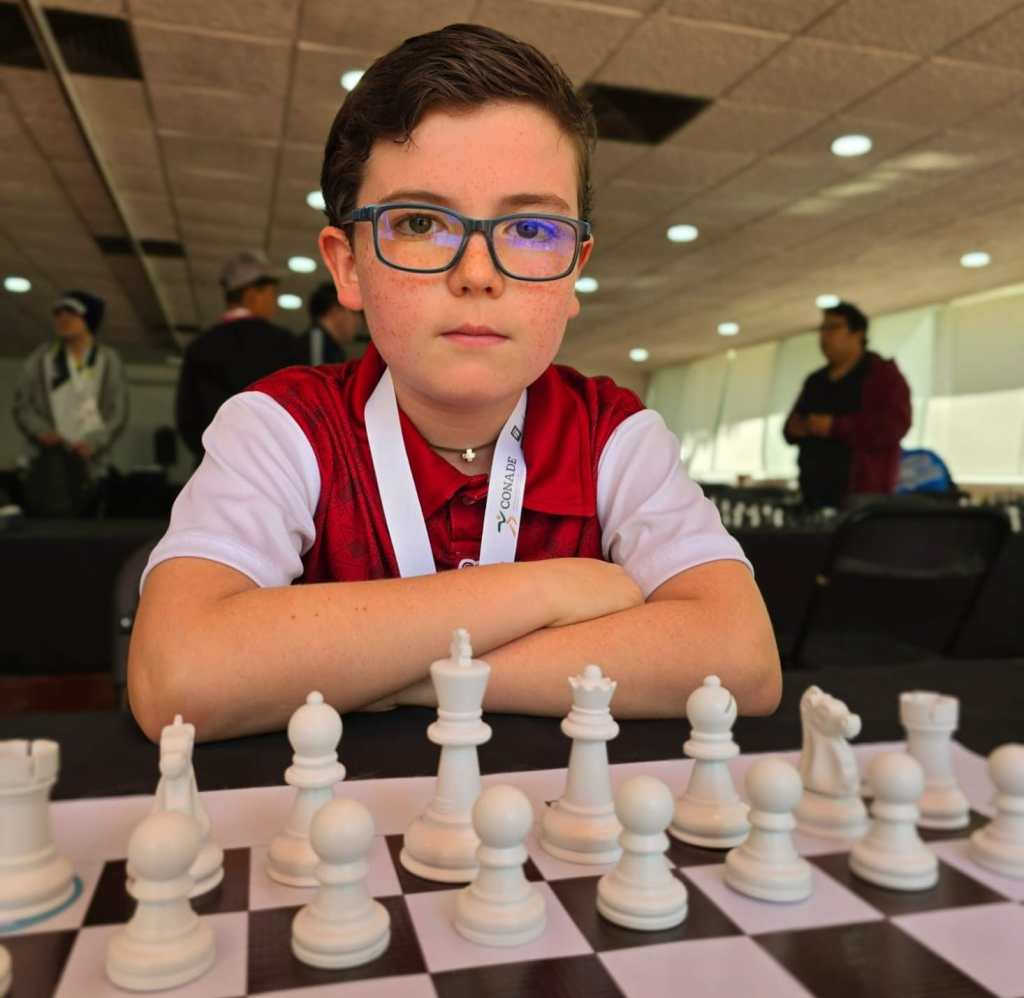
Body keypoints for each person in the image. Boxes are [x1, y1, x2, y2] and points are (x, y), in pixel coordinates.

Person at [129, 24, 781, 743]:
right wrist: (547, 588)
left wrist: (372, 669)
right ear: (347, 266)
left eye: (530, 230)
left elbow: (742, 660)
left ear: (574, 272)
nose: (478, 273)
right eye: (419, 222)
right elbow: (177, 675)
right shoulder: (281, 426)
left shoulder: (613, 434)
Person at [784, 301, 911, 509]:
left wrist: (835, 427)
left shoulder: (882, 375)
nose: (824, 336)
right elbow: (791, 428)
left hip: (862, 496)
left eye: (832, 327)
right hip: (813, 495)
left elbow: (895, 425)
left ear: (857, 333)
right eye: (822, 329)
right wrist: (799, 427)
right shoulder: (815, 381)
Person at [175, 250, 300, 459]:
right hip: (271, 464)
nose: (274, 301)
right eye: (271, 294)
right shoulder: (283, 343)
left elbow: (187, 417)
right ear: (252, 294)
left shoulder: (200, 347)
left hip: (213, 462)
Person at [12, 290, 128, 513]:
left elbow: (118, 411)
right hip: (48, 463)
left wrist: (93, 443)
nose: (63, 319)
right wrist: (42, 432)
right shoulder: (41, 358)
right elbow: (22, 405)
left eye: (72, 313)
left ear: (89, 319)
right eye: (58, 314)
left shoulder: (108, 360)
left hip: (93, 464)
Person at [298, 281, 361, 365]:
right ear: (335, 311)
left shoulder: (332, 347)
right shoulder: (316, 344)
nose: (358, 321)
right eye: (354, 312)